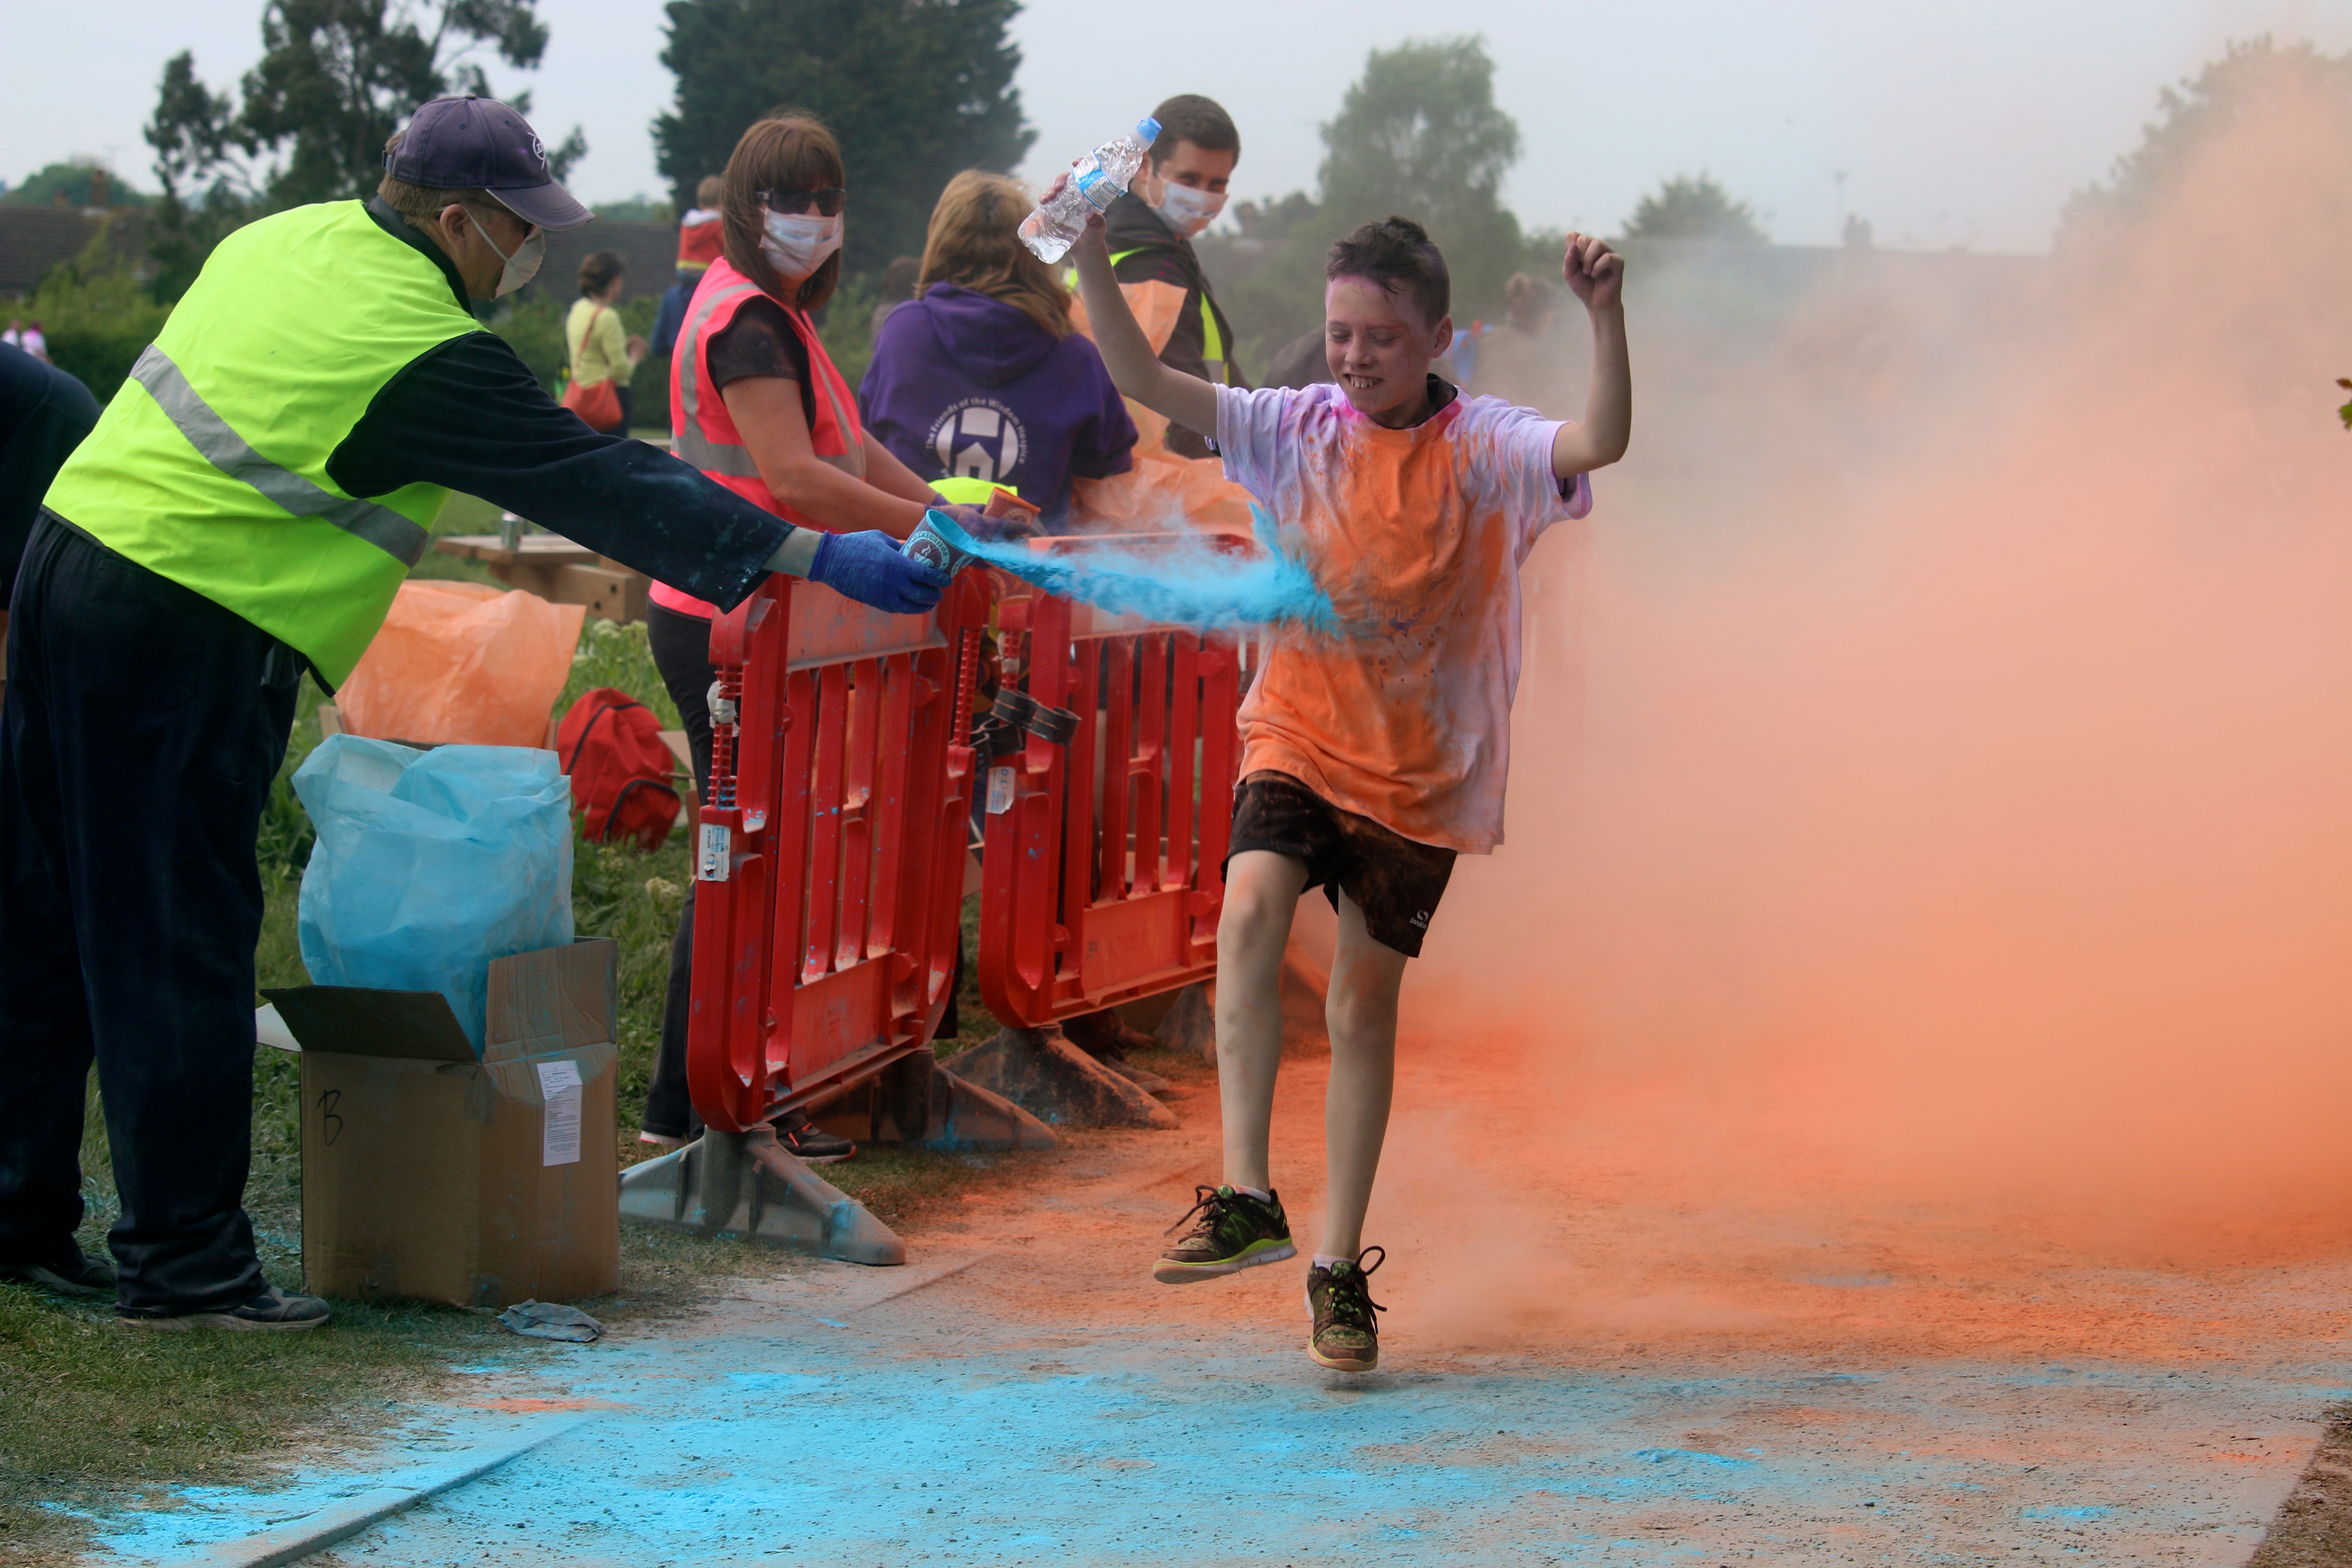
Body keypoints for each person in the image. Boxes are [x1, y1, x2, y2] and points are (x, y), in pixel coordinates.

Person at [0, 95, 950, 1331]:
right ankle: (184, 1266)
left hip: (64, 569)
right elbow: (603, 480)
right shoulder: (422, 344)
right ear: (455, 222)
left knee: (45, 914)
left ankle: (18, 1214)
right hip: (185, 620)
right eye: (518, 227)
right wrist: (816, 557)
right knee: (176, 938)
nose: (528, 251)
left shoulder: (279, 239)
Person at [1066, 183, 1631, 1371]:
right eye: (1339, 334)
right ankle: (1245, 1196)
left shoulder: (1483, 444)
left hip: (1424, 767)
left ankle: (1337, 1269)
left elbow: (1598, 445)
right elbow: (1140, 375)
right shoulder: (1292, 427)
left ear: (1435, 337)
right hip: (1298, 729)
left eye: (1380, 337)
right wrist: (1092, 249)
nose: (1355, 357)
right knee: (1249, 912)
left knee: (1363, 1009)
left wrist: (1602, 318)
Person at [636, 112, 1013, 1159]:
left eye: (825, 199)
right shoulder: (748, 324)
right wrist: (928, 528)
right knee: (750, 862)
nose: (810, 217)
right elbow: (796, 480)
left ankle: (718, 1094)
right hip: (728, 619)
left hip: (759, 617)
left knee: (765, 857)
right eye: (787, 199)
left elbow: (848, 452)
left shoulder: (776, 314)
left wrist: (943, 509)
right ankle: (712, 1101)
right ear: (745, 209)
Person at [860, 171, 1136, 533]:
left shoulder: (903, 333)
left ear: (939, 247)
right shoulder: (1078, 358)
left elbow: (864, 440)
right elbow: (1109, 480)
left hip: (911, 556)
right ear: (1035, 250)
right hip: (1029, 564)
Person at [1100, 94, 1246, 459]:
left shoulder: (1147, 246)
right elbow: (1180, 417)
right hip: (1168, 478)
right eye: (1189, 179)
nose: (1202, 197)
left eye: (1217, 184)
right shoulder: (1150, 270)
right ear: (1145, 167)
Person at [565, 249, 649, 435]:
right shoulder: (607, 317)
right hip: (607, 400)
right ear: (615, 281)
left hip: (580, 396)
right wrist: (635, 357)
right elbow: (621, 371)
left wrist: (621, 347)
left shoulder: (578, 309)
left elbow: (590, 351)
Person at [650, 176, 725, 360]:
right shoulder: (718, 224)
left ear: (700, 203)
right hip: (706, 271)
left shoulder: (688, 223)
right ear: (723, 202)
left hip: (684, 270)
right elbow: (726, 248)